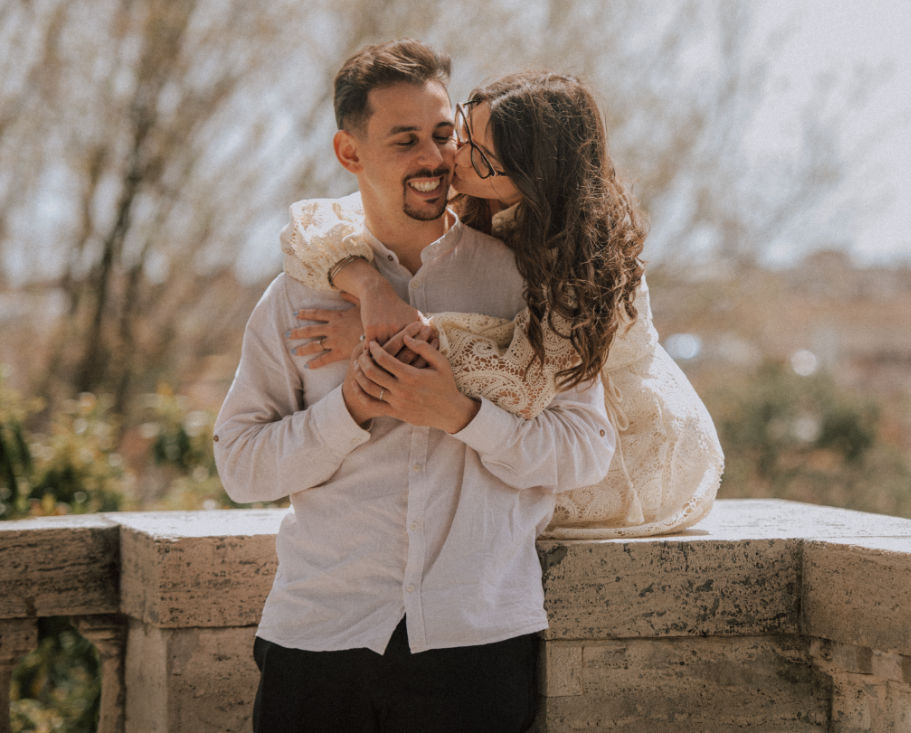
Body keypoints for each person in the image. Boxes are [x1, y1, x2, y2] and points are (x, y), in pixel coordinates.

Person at [213, 41, 614, 732]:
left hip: (476, 646)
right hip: (317, 637)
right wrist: (350, 409)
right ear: (350, 154)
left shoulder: (526, 284)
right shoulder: (298, 298)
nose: (435, 159)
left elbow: (586, 450)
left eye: (441, 134)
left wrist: (461, 415)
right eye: (404, 140)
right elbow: (240, 464)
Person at [279, 71, 723, 538]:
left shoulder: (583, 262)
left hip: (619, 447)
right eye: (463, 133)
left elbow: (524, 382)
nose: (455, 158)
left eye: (483, 158)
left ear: (534, 177)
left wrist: (396, 333)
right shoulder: (469, 186)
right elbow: (309, 225)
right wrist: (371, 289)